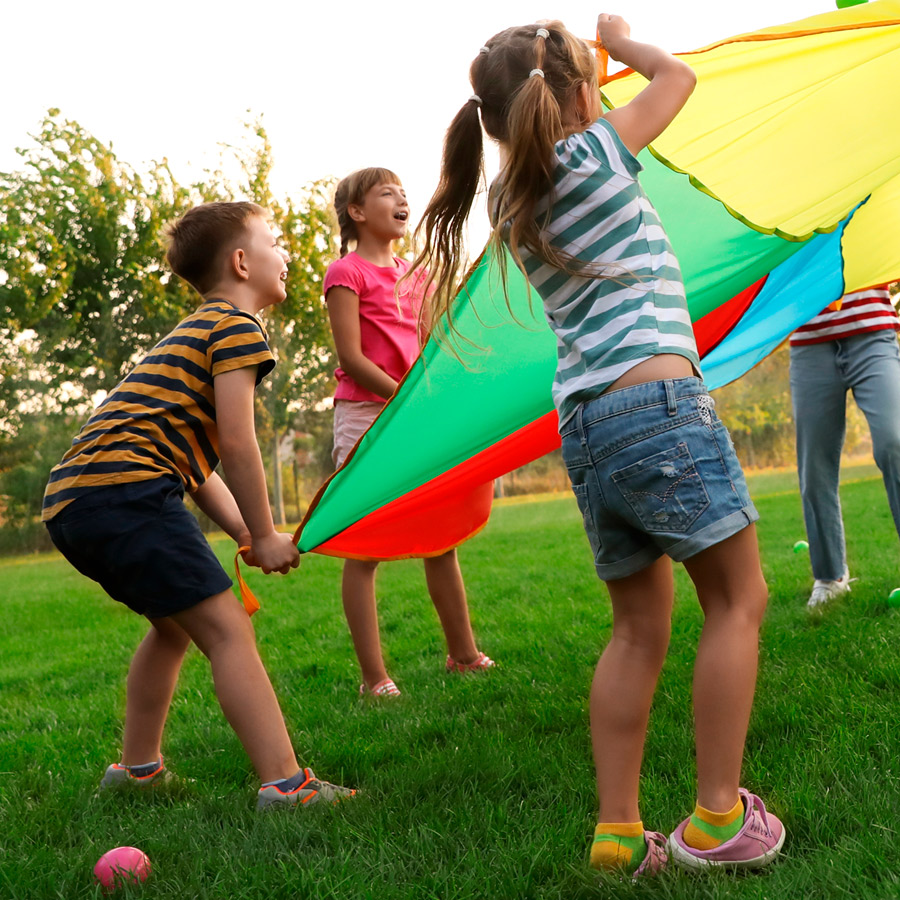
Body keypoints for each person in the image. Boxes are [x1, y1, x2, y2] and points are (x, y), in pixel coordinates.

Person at [410, 16, 783, 875]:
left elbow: (567, 119)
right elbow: (678, 80)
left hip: (585, 429)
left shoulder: (512, 196)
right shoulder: (592, 154)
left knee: (635, 631)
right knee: (737, 600)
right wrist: (629, 41)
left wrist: (585, 69)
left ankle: (619, 833)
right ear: (581, 96)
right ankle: (719, 818)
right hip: (656, 402)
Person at [43, 201, 354, 810]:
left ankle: (137, 773)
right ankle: (288, 786)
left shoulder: (190, 333)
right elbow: (237, 442)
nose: (284, 253)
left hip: (76, 500)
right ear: (241, 262)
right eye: (274, 240)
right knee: (228, 630)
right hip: (126, 491)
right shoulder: (237, 328)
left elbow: (194, 464)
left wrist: (239, 528)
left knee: (171, 626)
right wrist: (264, 535)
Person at [323, 167, 494, 698]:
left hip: (413, 413)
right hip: (368, 416)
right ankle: (374, 679)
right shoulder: (345, 273)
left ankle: (463, 656)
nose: (402, 200)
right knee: (365, 547)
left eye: (402, 193)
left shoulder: (415, 274)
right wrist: (403, 399)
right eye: (386, 193)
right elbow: (350, 356)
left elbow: (428, 343)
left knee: (440, 539)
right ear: (357, 212)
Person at [790, 283, 900, 608]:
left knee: (895, 442)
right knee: (814, 466)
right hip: (809, 340)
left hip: (873, 332)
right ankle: (830, 576)